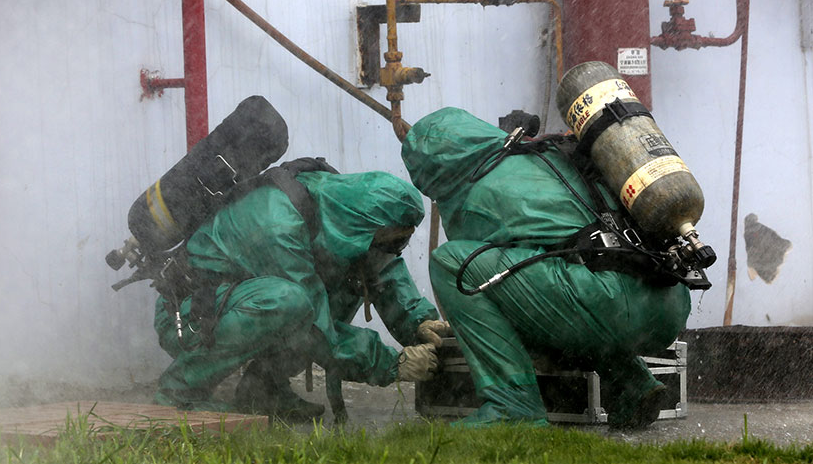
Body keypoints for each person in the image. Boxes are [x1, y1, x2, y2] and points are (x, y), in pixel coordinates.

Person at [400, 107, 691, 428]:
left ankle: (512, 404)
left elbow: (489, 299)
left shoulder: (476, 193)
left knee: (453, 265)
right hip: (668, 300)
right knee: (566, 278)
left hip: (610, 306)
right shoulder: (541, 153)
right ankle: (631, 384)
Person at [153, 166, 451, 420]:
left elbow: (377, 265)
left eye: (401, 245)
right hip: (190, 316)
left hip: (234, 303)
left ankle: (263, 392)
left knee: (333, 284)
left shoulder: (343, 213)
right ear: (367, 226)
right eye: (393, 243)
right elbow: (314, 329)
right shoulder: (278, 223)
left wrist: (419, 322)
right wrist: (391, 364)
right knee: (291, 303)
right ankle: (179, 392)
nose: (395, 252)